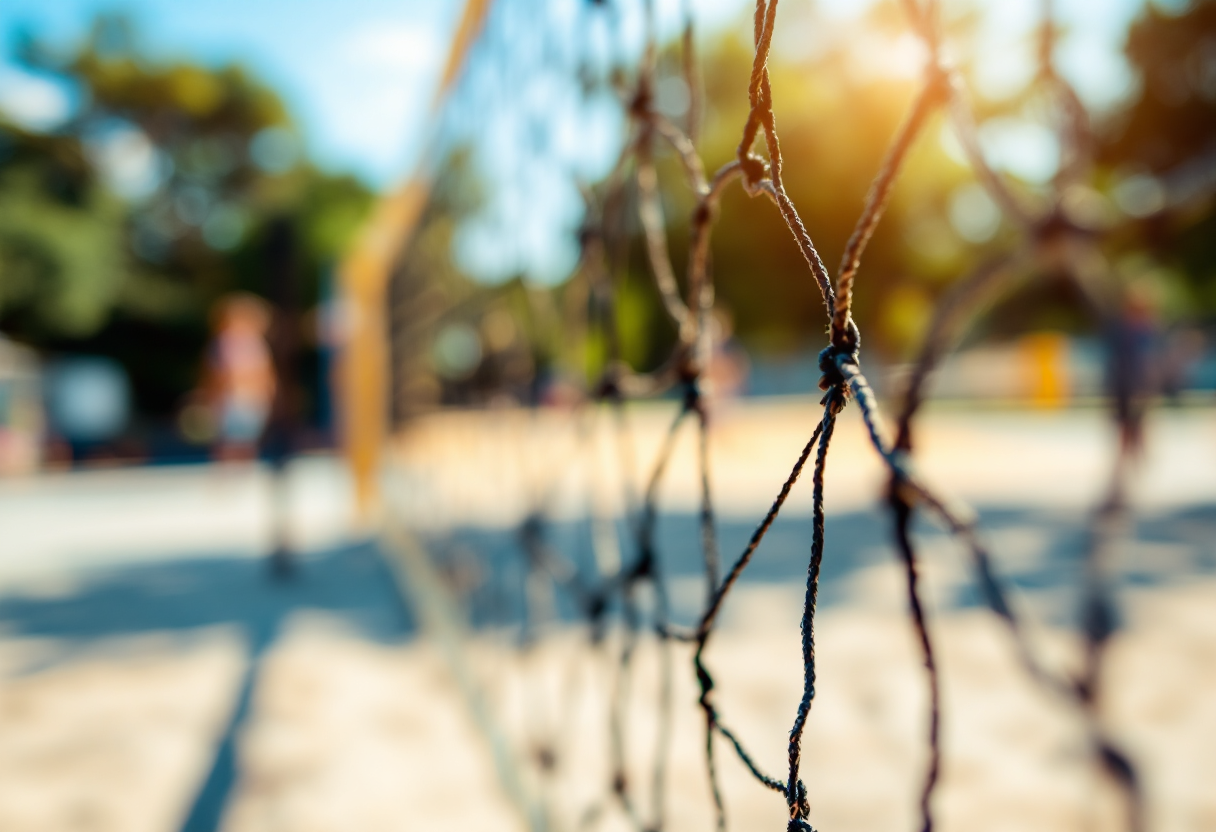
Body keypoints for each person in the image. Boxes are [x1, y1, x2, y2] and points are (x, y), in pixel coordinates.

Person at [204, 294, 277, 462]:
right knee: (230, 439)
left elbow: (265, 372)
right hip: (232, 398)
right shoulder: (224, 342)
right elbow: (218, 374)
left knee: (246, 439)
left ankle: (240, 469)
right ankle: (230, 470)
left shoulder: (254, 343)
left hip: (251, 398)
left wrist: (268, 391)